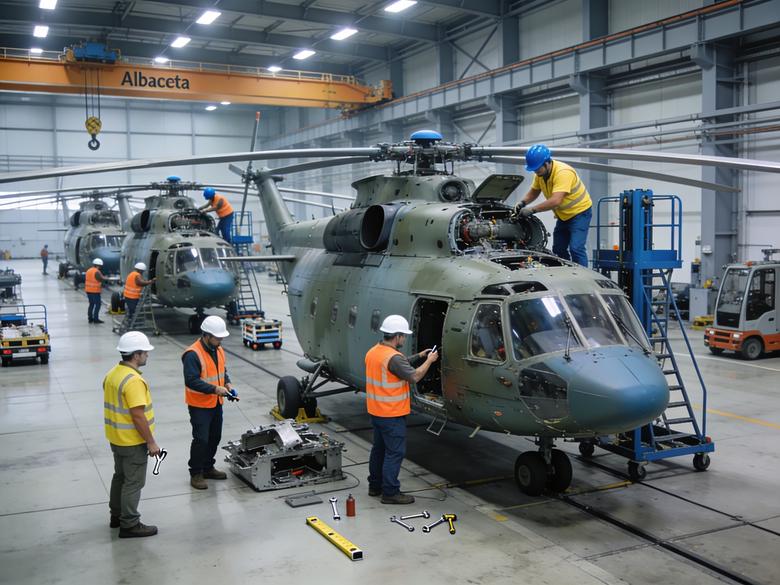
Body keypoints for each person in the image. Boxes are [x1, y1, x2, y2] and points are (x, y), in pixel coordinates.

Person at [365, 315, 438, 505]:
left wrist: (420, 356)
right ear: (397, 336)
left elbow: (399, 364)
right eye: (403, 336)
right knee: (394, 453)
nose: (404, 339)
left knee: (379, 449)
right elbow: (414, 376)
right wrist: (429, 361)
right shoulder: (394, 358)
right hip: (391, 413)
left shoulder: (374, 351)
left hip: (376, 411)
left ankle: (375, 486)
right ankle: (390, 492)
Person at [104, 331, 160, 538]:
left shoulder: (113, 374)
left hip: (116, 438)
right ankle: (129, 524)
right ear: (136, 356)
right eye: (145, 352)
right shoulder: (134, 381)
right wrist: (151, 442)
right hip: (132, 442)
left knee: (120, 477)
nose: (147, 355)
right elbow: (138, 416)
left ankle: (116, 516)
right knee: (134, 482)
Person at [514, 144, 593, 267]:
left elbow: (556, 201)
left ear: (547, 163)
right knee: (558, 249)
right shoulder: (540, 174)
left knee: (576, 248)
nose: (536, 171)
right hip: (564, 216)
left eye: (538, 168)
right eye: (534, 169)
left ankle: (583, 279)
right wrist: (522, 202)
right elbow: (534, 191)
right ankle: (566, 272)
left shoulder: (563, 173)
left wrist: (532, 209)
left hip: (580, 213)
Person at [182, 315, 234, 490]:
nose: (220, 340)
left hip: (216, 402)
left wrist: (227, 383)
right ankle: (196, 473)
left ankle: (208, 467)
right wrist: (214, 389)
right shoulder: (192, 354)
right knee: (201, 439)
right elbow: (190, 380)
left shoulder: (218, 349)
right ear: (207, 335)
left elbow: (222, 370)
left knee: (214, 437)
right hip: (199, 405)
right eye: (217, 337)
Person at [85, 258, 107, 323]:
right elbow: (101, 279)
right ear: (98, 265)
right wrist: (107, 280)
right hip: (95, 291)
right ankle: (96, 318)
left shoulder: (89, 270)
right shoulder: (97, 272)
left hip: (88, 290)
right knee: (98, 304)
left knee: (91, 304)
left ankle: (90, 318)